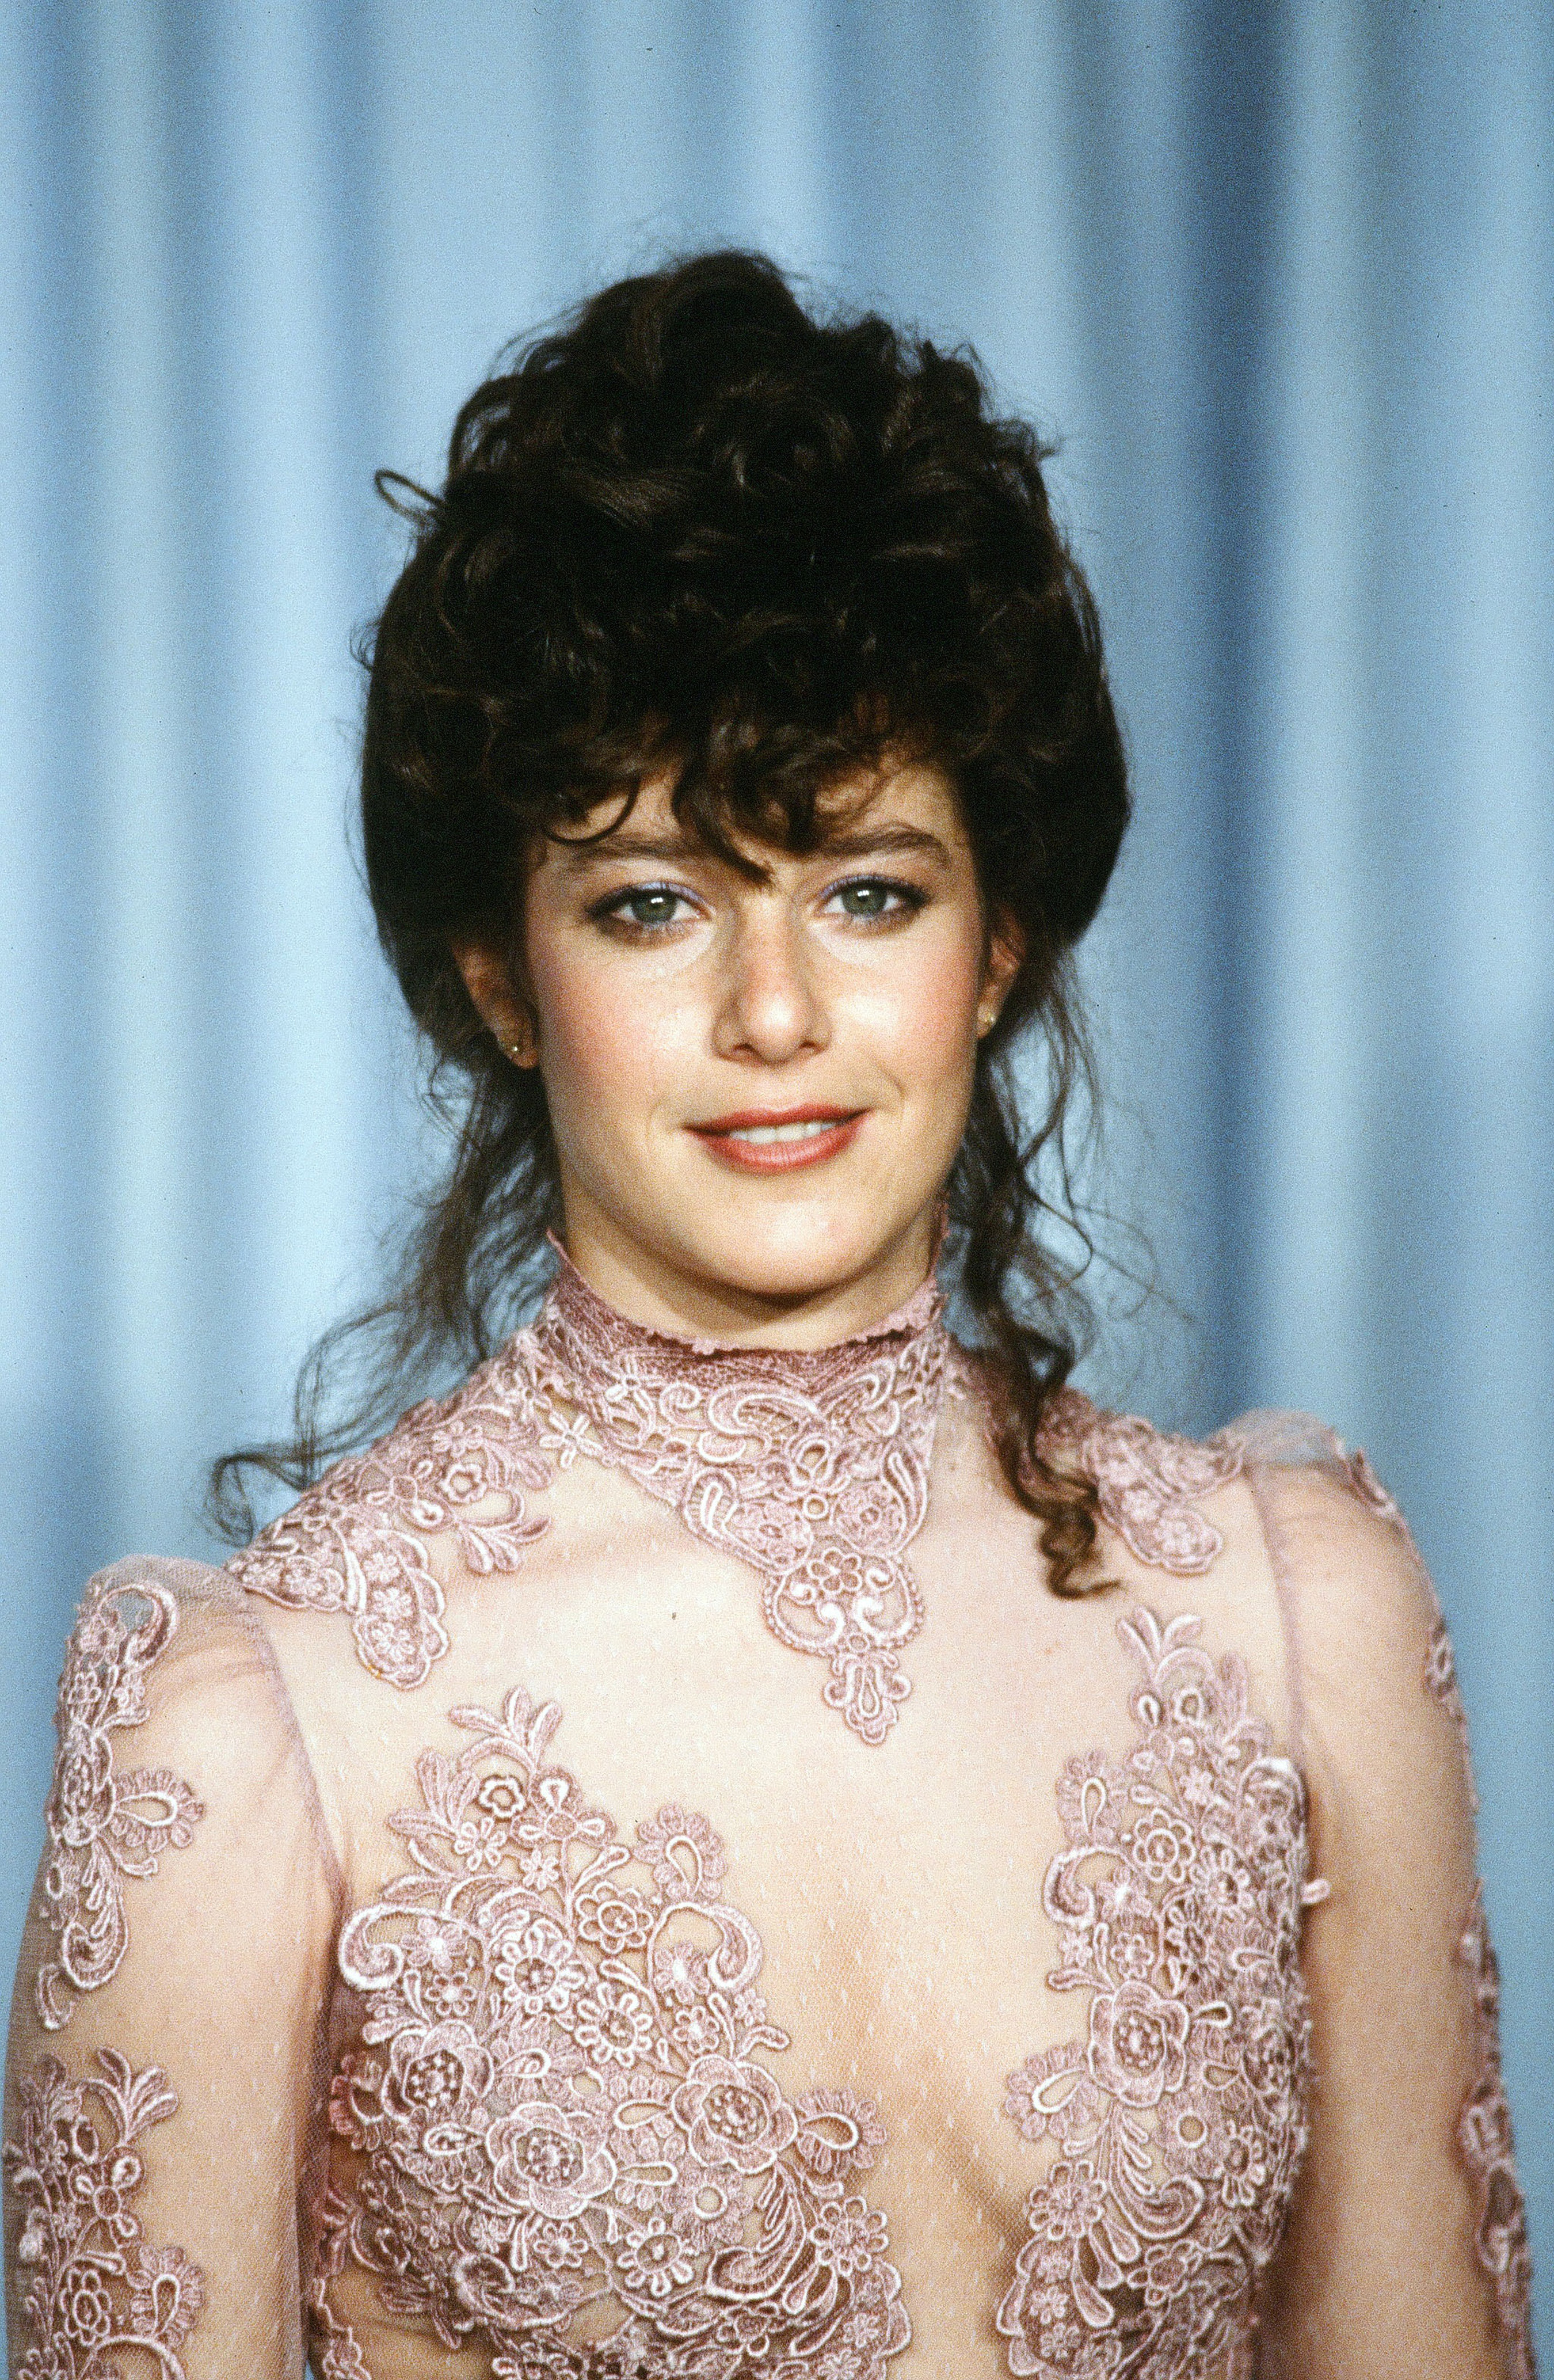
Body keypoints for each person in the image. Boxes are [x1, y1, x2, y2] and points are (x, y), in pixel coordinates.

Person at [3, 252, 1533, 2380]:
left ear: (998, 939)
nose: (779, 1014)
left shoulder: (1293, 1621)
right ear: (491, 972)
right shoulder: (266, 1729)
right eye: (652, 901)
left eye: (869, 888)